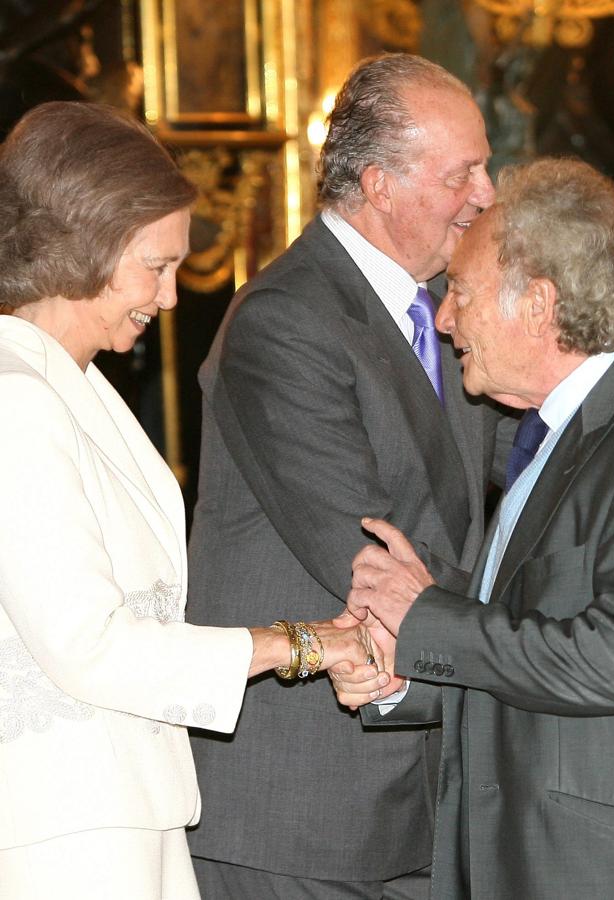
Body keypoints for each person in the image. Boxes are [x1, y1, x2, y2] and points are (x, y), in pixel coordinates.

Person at [334, 158, 614, 899]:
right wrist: (403, 673)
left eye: (461, 293)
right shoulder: (557, 430)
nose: (443, 320)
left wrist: (427, 618)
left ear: (538, 304)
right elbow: (534, 642)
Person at [0, 101, 379, 900]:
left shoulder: (70, 385)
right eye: (156, 264)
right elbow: (90, 646)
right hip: (65, 827)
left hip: (123, 808)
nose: (171, 297)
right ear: (89, 242)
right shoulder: (16, 398)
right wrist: (300, 646)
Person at [185, 53, 500, 899]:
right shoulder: (286, 319)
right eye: (461, 173)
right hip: (300, 804)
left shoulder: (447, 310)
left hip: (414, 787)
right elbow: (369, 558)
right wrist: (561, 624)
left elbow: (529, 467)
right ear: (378, 185)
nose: (486, 194)